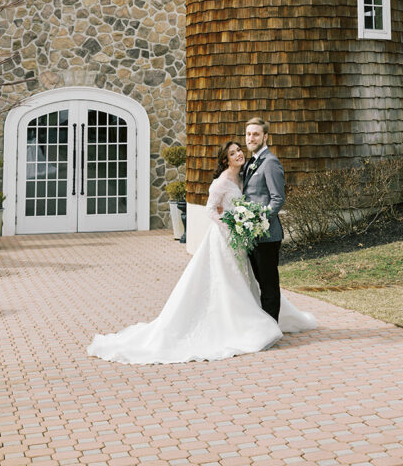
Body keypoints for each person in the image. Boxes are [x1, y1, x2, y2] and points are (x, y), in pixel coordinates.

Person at [87, 140, 315, 364]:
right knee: (226, 280)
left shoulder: (242, 175)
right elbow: (210, 210)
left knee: (244, 278)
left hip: (239, 239)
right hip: (223, 238)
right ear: (225, 160)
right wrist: (230, 225)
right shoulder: (221, 182)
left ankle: (254, 318)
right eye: (233, 153)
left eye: (239, 150)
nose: (238, 154)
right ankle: (232, 323)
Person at [242, 117, 284, 320]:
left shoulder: (270, 162)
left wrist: (259, 221)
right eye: (249, 134)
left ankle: (272, 326)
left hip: (267, 235)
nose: (251, 138)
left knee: (268, 284)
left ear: (265, 137)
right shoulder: (250, 162)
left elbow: (278, 199)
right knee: (259, 282)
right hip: (252, 235)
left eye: (256, 134)